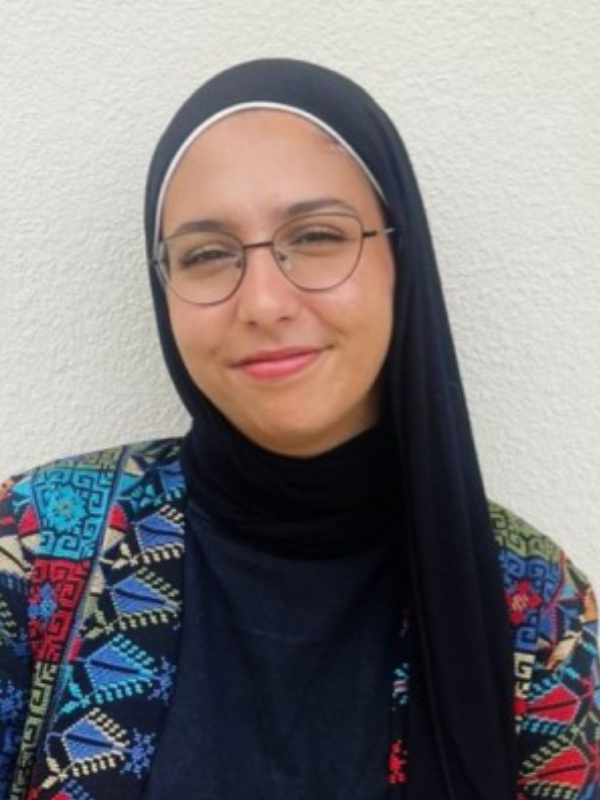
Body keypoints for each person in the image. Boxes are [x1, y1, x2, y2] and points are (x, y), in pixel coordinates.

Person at [0, 58, 597, 800]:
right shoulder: (36, 547)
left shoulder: (535, 608)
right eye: (207, 254)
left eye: (316, 236)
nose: (263, 302)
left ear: (402, 258)